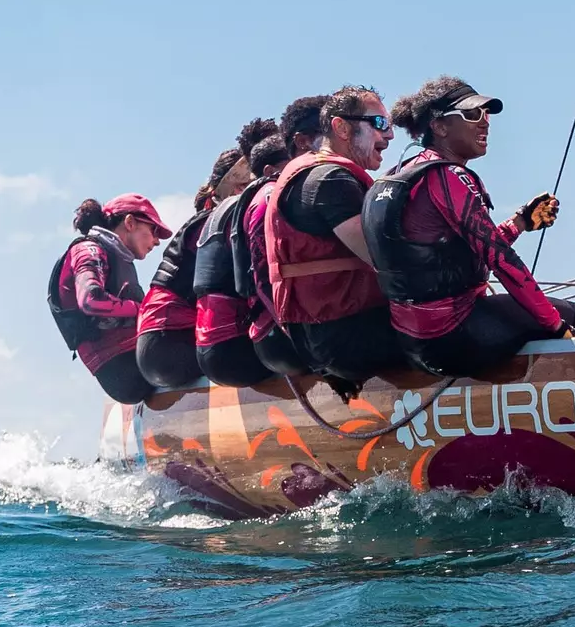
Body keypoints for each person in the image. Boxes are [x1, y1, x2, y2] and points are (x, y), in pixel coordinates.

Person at [363, 76, 575, 377]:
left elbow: (452, 254)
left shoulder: (401, 172)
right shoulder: (450, 176)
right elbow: (502, 262)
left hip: (416, 341)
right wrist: (559, 328)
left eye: (486, 114)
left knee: (525, 320)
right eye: (471, 115)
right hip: (454, 338)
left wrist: (519, 223)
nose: (484, 123)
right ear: (439, 126)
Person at [252, 85, 403, 396]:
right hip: (347, 340)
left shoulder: (310, 175)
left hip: (315, 340)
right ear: (342, 128)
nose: (389, 135)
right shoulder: (331, 180)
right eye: (379, 124)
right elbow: (390, 260)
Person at [136, 119, 278, 389]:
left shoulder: (205, 219)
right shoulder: (219, 221)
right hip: (171, 342)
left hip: (157, 344)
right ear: (238, 188)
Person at [47, 194, 172, 404]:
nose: (157, 241)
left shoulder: (112, 254)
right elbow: (90, 300)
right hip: (123, 370)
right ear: (130, 223)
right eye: (154, 230)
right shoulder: (89, 250)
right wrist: (141, 309)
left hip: (130, 363)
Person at [193, 133, 289, 386]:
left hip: (206, 349)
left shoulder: (207, 219)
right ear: (238, 187)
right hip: (234, 346)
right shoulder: (245, 208)